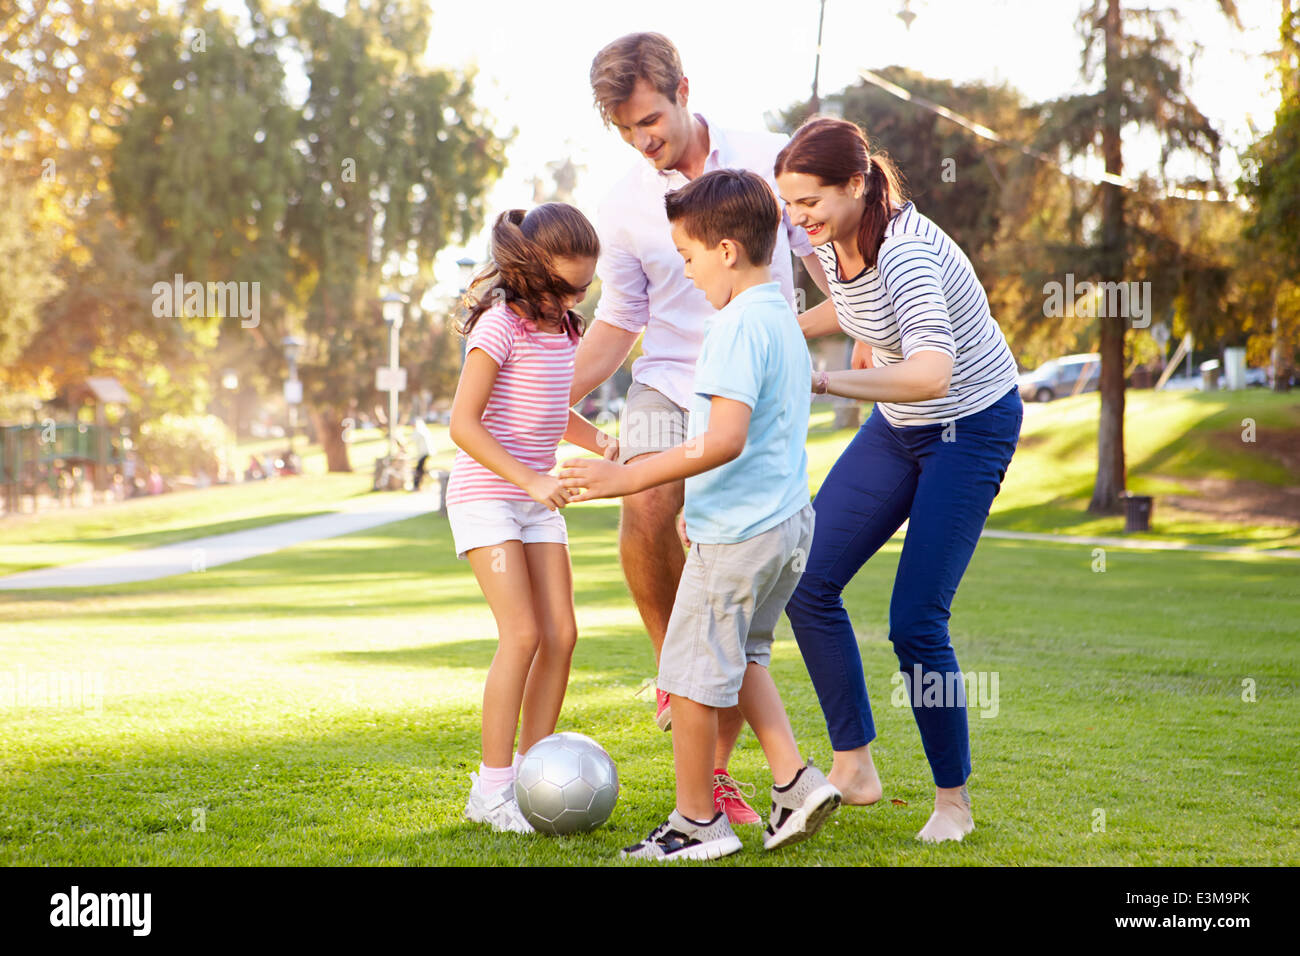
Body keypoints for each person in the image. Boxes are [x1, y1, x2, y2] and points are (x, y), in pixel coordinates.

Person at [569, 32, 830, 825]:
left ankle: (710, 755)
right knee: (647, 509)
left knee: (729, 558)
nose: (643, 141)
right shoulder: (621, 206)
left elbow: (828, 272)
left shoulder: (767, 162)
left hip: (747, 391)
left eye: (649, 119)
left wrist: (793, 340)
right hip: (667, 383)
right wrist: (544, 391)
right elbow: (620, 320)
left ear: (683, 88)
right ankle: (676, 672)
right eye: (625, 131)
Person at [774, 117, 1023, 843]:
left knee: (915, 621)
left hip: (970, 425)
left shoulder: (908, 253)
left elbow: (930, 371)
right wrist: (779, 329)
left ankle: (953, 803)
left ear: (856, 184)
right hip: (901, 426)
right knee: (807, 580)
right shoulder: (832, 240)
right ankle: (853, 765)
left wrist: (821, 380)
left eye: (809, 201)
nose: (800, 219)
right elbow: (851, 307)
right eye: (790, 205)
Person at [446, 203, 611, 833]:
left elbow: (550, 410)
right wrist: (534, 480)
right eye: (565, 287)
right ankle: (490, 791)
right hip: (487, 495)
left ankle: (534, 777)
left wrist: (606, 444)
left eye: (583, 289)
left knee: (562, 635)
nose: (574, 300)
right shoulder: (498, 327)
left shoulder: (564, 330)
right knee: (521, 634)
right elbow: (464, 425)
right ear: (530, 269)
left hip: (533, 500)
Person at [410, 418, 434, 491]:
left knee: (419, 470)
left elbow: (411, 439)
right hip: (427, 452)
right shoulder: (424, 430)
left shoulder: (418, 431)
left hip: (424, 453)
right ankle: (423, 484)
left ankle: (417, 486)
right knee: (422, 469)